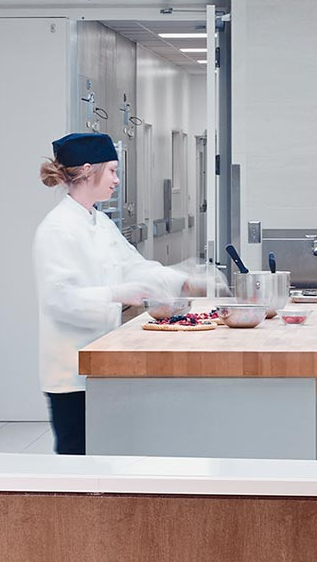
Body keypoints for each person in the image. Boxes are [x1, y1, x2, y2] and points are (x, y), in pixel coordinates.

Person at [32, 132, 194, 454]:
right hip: (71, 369)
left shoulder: (100, 222)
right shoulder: (57, 228)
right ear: (89, 171)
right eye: (113, 171)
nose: (117, 180)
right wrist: (117, 293)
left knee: (105, 456)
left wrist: (184, 278)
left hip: (102, 360)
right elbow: (59, 300)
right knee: (77, 457)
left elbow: (134, 266)